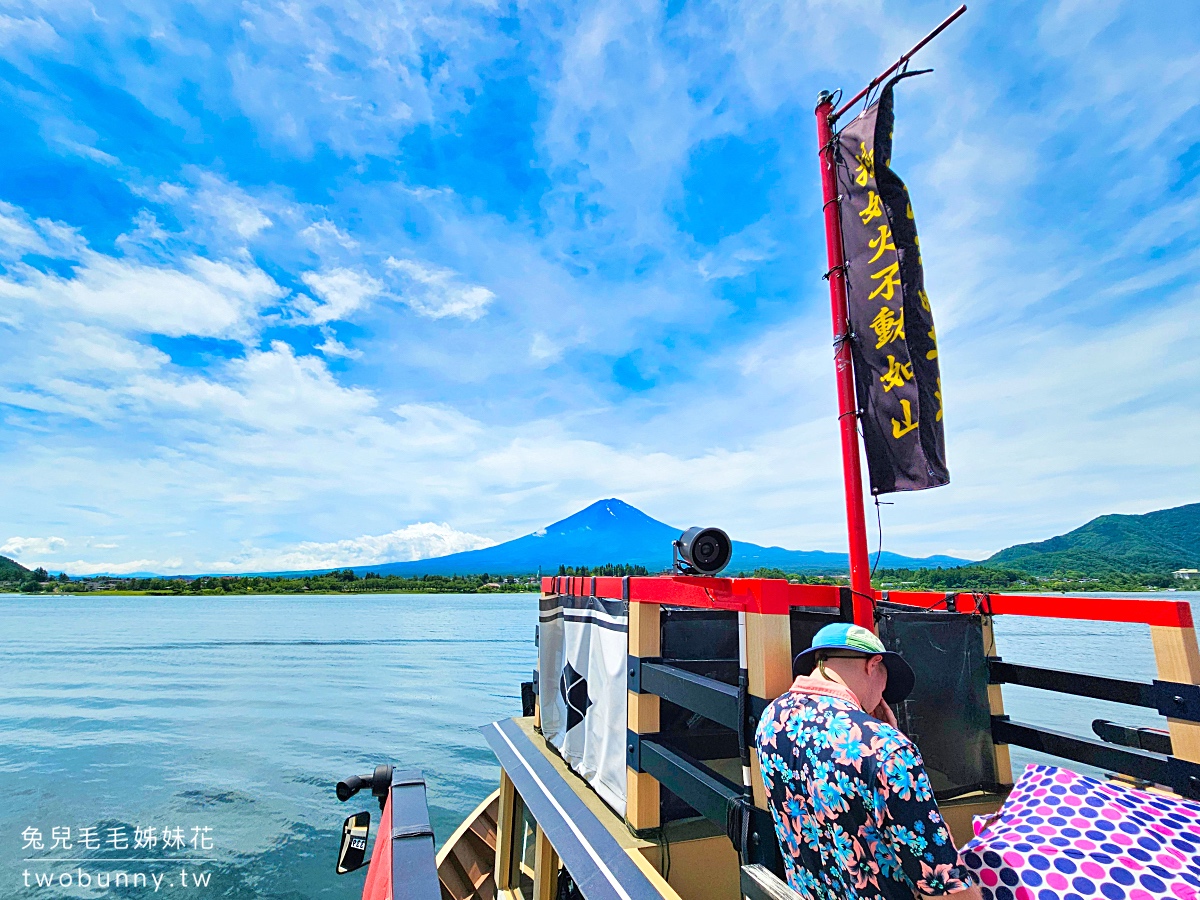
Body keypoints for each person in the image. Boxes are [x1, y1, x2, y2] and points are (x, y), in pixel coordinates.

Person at [754, 622, 981, 900]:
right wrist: (890, 740)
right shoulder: (887, 749)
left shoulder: (771, 719)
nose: (882, 698)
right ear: (873, 665)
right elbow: (943, 884)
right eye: (885, 683)